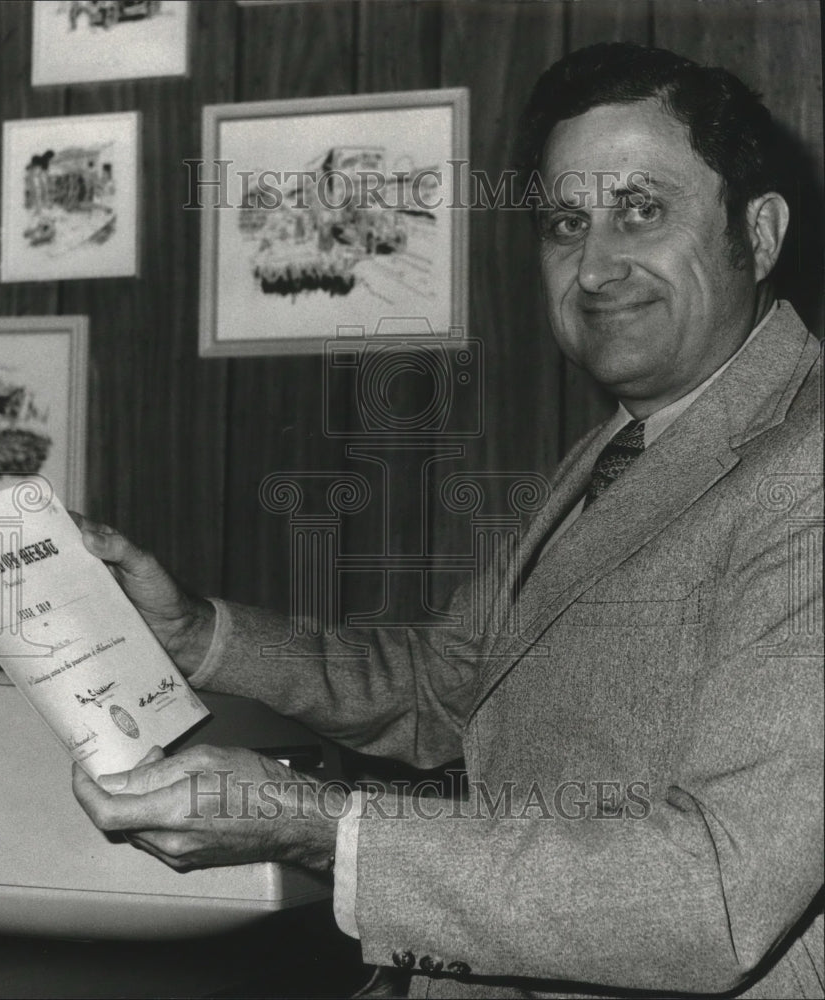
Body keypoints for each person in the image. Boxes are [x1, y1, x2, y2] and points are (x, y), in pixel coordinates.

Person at [72, 43, 823, 998]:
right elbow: (441, 687)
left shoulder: (806, 465)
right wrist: (194, 634)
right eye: (565, 221)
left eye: (643, 209)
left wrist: (319, 825)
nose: (595, 267)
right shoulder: (624, 446)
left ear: (757, 234)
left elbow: (715, 893)